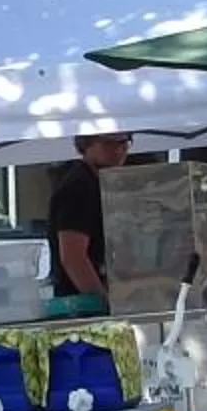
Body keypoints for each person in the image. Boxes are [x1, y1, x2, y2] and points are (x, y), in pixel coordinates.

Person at [43, 132, 130, 311]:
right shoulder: (79, 185)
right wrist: (104, 304)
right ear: (86, 145)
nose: (119, 150)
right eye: (108, 143)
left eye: (124, 143)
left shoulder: (93, 182)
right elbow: (73, 257)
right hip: (80, 306)